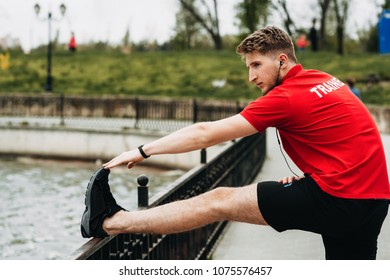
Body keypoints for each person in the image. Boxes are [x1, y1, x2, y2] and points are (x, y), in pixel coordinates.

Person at [80, 26, 390, 260]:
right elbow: (349, 136)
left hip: (339, 196)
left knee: (218, 200)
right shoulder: (324, 79)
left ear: (282, 60)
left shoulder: (285, 97)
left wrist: (142, 150)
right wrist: (315, 176)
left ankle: (111, 223)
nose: (252, 76)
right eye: (248, 68)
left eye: (256, 65)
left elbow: (206, 133)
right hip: (374, 199)